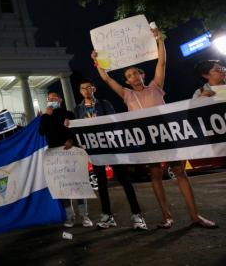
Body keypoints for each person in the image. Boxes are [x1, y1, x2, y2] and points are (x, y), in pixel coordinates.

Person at [92, 25, 217, 229]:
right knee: (155, 175)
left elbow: (162, 62)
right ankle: (166, 217)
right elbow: (106, 78)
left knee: (180, 172)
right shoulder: (126, 94)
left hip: (167, 135)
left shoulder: (156, 86)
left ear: (142, 75)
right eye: (129, 76)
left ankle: (195, 216)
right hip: (148, 139)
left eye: (136, 73)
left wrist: (159, 39)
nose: (133, 77)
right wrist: (97, 61)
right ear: (127, 81)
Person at [74, 79, 147, 230]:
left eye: (89, 87)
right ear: (80, 92)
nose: (86, 90)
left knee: (123, 179)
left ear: (94, 89)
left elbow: (114, 122)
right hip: (95, 149)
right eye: (83, 88)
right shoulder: (78, 110)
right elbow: (78, 129)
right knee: (101, 183)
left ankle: (137, 215)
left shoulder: (104, 104)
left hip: (111, 146)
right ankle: (107, 216)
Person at [38, 91, 93, 228]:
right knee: (62, 187)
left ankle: (84, 216)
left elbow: (76, 131)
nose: (52, 100)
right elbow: (42, 132)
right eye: (49, 99)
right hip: (55, 155)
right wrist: (46, 115)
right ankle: (70, 217)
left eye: (54, 98)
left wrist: (71, 140)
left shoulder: (68, 113)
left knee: (78, 185)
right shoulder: (45, 116)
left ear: (60, 100)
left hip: (71, 152)